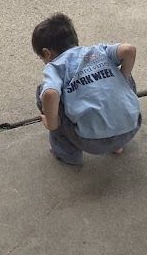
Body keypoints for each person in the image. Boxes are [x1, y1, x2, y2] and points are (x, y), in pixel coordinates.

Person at [33, 13, 141, 166]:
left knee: (42, 92)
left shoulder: (55, 66)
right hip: (132, 126)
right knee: (122, 76)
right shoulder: (98, 50)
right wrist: (123, 77)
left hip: (91, 142)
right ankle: (118, 144)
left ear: (46, 53)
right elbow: (129, 50)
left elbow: (50, 94)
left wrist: (51, 124)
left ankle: (67, 154)